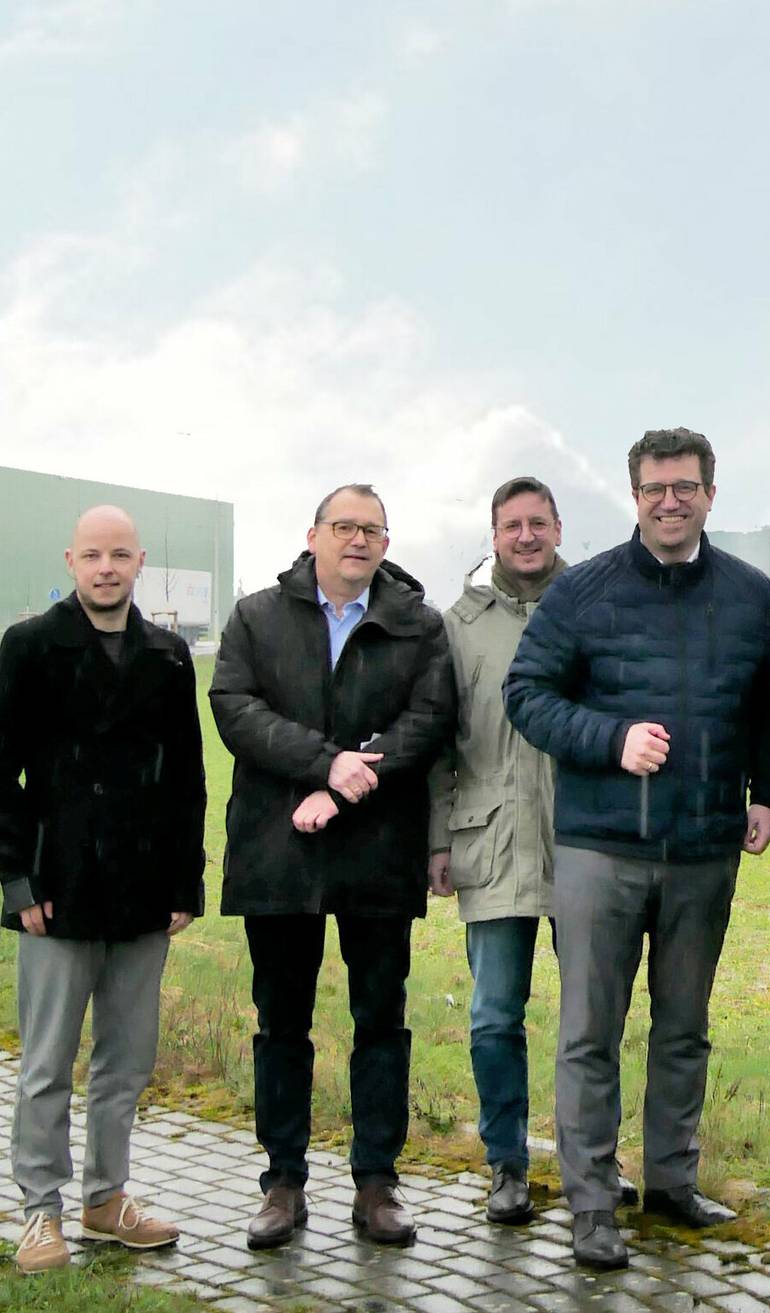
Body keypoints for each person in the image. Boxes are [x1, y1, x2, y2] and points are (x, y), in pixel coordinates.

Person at [506, 427, 770, 1271]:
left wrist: (768, 793)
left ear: (711, 492)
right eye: (655, 488)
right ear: (634, 496)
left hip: (705, 847)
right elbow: (526, 691)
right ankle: (592, 1201)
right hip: (602, 847)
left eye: (686, 486)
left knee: (684, 1028)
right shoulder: (584, 592)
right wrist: (610, 737)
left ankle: (671, 1179)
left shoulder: (748, 593)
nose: (671, 501)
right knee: (590, 1030)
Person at [209, 484, 455, 1250]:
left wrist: (352, 781)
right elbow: (234, 706)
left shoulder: (419, 624)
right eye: (344, 526)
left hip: (379, 850)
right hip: (278, 848)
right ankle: (283, 1182)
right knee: (282, 1021)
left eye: (372, 529)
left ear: (387, 542)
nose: (358, 539)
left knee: (380, 1019)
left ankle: (377, 1182)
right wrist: (325, 764)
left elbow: (431, 718)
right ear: (312, 534)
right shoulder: (257, 615)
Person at [0, 506, 203, 1274]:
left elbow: (187, 779)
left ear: (139, 561)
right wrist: (18, 878)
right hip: (56, 891)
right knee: (48, 1061)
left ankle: (106, 1199)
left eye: (120, 553)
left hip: (145, 892)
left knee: (125, 1060)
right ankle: (40, 1211)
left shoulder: (169, 656)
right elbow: (1, 777)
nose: (106, 566)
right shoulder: (28, 648)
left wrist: (185, 882)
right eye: (93, 554)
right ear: (71, 560)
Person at [427, 477, 567, 1225]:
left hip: (580, 841)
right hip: (490, 839)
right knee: (491, 1016)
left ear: (556, 527)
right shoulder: (459, 624)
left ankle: (588, 1160)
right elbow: (438, 740)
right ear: (493, 534)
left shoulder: (592, 604)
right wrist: (438, 838)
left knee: (589, 1016)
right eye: (511, 525)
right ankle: (506, 1164)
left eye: (536, 522)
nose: (524, 536)